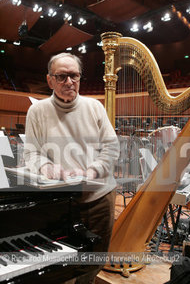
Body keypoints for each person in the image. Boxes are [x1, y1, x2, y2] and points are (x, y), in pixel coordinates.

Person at [24, 52, 119, 283]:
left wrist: (91, 171)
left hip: (99, 197)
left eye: (74, 76)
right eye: (62, 76)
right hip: (61, 201)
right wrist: (46, 167)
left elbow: (112, 147)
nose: (69, 82)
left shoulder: (94, 107)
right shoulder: (37, 111)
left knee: (95, 257)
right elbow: (31, 152)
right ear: (50, 80)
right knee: (61, 258)